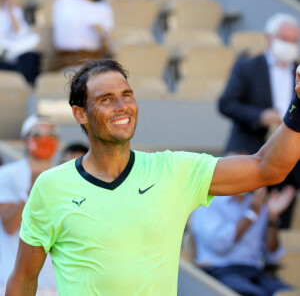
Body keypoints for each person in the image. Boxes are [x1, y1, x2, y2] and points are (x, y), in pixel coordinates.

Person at [5, 59, 300, 296]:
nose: (122, 107)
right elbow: (23, 280)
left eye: (127, 95)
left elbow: (268, 167)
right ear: (80, 114)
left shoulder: (173, 170)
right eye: (106, 99)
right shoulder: (51, 186)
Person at [218, 13, 300, 228]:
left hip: (290, 163)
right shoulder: (248, 67)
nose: (289, 45)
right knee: (244, 221)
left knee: (278, 223)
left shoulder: (298, 70)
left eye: (294, 40)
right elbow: (226, 103)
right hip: (250, 155)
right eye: (285, 38)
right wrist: (259, 116)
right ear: (269, 38)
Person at [191, 184, 295, 296]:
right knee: (253, 294)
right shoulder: (209, 203)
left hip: (255, 272)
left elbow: (272, 255)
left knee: (288, 293)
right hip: (219, 272)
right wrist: (252, 214)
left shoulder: (257, 202)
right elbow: (219, 245)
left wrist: (272, 217)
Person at [0, 115, 58, 290]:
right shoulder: (6, 174)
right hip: (13, 280)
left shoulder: (64, 177)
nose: (45, 138)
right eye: (37, 134)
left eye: (51, 134)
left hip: (55, 283)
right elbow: (9, 225)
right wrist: (32, 190)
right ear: (25, 140)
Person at [52, 0, 114, 70]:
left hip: (91, 59)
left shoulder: (103, 8)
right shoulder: (64, 0)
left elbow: (107, 43)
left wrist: (102, 34)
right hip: (65, 59)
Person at [0, 0, 40, 85]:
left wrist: (10, 11)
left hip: (14, 50)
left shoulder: (15, 11)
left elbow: (21, 33)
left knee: (31, 57)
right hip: (2, 53)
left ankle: (27, 86)